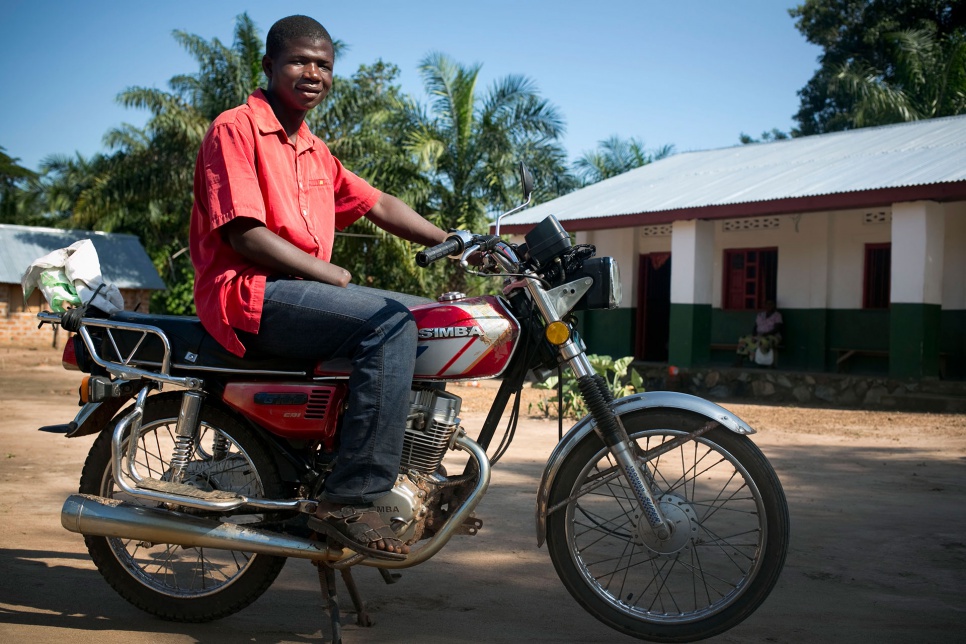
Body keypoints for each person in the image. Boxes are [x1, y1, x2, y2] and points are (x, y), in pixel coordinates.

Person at [189, 15, 449, 560]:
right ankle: (352, 501)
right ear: (269, 65)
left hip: (296, 295)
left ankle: (377, 463)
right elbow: (244, 233)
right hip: (250, 295)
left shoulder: (313, 149)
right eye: (299, 61)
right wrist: (323, 270)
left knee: (431, 318)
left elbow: (376, 203)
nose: (313, 72)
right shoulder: (235, 128)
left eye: (324, 64)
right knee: (389, 325)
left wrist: (455, 239)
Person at [735, 300, 783, 366]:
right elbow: (755, 326)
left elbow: (777, 328)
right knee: (743, 339)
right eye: (767, 304)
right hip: (759, 335)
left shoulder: (777, 315)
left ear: (774, 306)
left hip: (773, 336)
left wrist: (766, 334)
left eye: (771, 304)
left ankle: (764, 362)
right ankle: (739, 361)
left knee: (763, 341)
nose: (769, 306)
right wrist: (754, 334)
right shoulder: (760, 315)